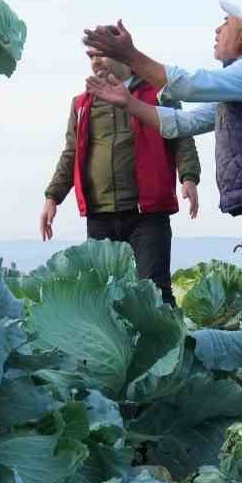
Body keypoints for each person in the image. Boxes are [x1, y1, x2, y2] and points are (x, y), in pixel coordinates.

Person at [83, 2, 242, 330]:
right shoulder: (239, 85)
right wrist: (130, 103)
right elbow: (183, 122)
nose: (217, 31)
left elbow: (190, 85)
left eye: (225, 23)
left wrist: (131, 55)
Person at [40, 50, 202, 302]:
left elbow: (181, 137)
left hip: (147, 214)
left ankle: (170, 342)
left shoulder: (158, 94)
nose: (95, 61)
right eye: (90, 56)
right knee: (103, 296)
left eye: (101, 55)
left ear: (123, 57)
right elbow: (71, 153)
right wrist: (52, 198)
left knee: (155, 291)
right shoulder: (82, 104)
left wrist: (189, 177)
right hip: (99, 214)